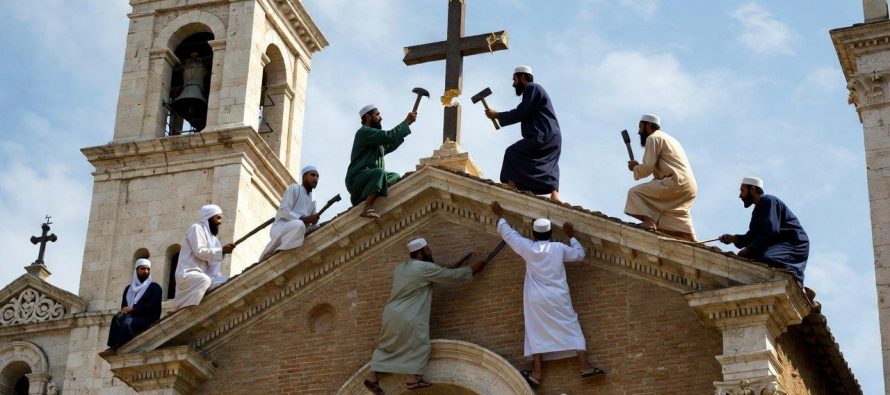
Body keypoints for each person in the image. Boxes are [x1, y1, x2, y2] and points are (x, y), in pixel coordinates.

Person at [491, 201, 605, 386]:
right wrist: (572, 236)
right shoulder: (558, 248)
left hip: (536, 298)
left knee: (535, 329)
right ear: (551, 234)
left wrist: (500, 216)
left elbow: (509, 235)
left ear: (534, 234)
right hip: (558, 296)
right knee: (571, 325)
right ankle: (585, 366)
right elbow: (579, 255)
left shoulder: (528, 247)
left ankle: (536, 372)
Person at [363, 238, 488, 394]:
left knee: (388, 346)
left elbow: (436, 274)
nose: (430, 252)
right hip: (409, 315)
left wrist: (448, 269)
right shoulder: (424, 268)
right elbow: (448, 276)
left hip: (391, 314)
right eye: (428, 250)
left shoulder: (401, 268)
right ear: (421, 253)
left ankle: (371, 378)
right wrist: (472, 270)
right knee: (418, 343)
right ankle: (412, 380)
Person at [485, 65, 562, 201]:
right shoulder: (535, 90)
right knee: (548, 163)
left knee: (512, 152)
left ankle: (511, 185)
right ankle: (554, 194)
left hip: (541, 135)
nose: (513, 84)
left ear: (522, 77)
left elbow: (522, 112)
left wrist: (497, 115)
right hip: (553, 138)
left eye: (515, 80)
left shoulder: (532, 88)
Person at [719, 177, 810, 283]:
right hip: (778, 242)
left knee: (766, 260)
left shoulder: (768, 201)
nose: (740, 195)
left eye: (742, 190)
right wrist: (734, 239)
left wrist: (748, 250)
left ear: (752, 189)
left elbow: (770, 231)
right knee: (753, 259)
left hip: (793, 242)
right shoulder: (757, 210)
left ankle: (795, 282)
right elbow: (752, 236)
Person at [624, 113, 698, 241]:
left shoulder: (653, 138)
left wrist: (635, 168)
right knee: (673, 213)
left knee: (635, 193)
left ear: (648, 126)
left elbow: (648, 167)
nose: (639, 132)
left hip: (674, 182)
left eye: (640, 127)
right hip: (689, 187)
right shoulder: (670, 139)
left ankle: (649, 224)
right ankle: (691, 240)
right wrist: (638, 166)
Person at [346, 104, 416, 218]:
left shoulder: (375, 141)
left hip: (370, 178)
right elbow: (389, 136)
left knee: (394, 176)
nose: (380, 117)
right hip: (357, 179)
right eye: (377, 114)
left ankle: (374, 196)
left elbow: (390, 144)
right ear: (368, 117)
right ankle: (367, 206)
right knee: (379, 173)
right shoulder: (364, 132)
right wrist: (406, 123)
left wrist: (405, 127)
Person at [172, 204, 235, 310]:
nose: (220, 222)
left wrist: (222, 253)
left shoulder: (215, 241)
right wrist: (222, 251)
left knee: (227, 282)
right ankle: (182, 309)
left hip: (205, 277)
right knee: (204, 280)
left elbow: (214, 267)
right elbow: (199, 251)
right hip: (188, 275)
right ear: (209, 217)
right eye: (218, 218)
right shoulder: (196, 228)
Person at [99, 258, 162, 356]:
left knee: (127, 323)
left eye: (148, 269)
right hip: (131, 316)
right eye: (143, 269)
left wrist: (134, 309)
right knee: (117, 318)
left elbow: (153, 307)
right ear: (136, 270)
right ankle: (113, 346)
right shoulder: (129, 289)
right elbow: (124, 307)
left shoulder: (154, 287)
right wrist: (124, 311)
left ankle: (121, 348)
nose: (146, 271)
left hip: (147, 318)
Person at [258, 165, 320, 262]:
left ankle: (285, 247)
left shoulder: (313, 201)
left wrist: (315, 221)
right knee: (300, 225)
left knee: (308, 228)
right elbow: (283, 210)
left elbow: (313, 222)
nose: (315, 178)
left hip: (298, 231)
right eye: (312, 175)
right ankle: (272, 250)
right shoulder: (294, 188)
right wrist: (304, 219)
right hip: (281, 227)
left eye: (317, 176)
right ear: (304, 177)